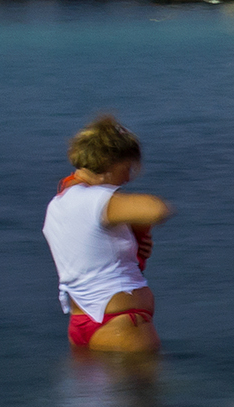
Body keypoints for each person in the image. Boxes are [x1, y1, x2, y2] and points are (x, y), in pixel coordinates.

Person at [46, 115, 173, 353]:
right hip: (122, 326)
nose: (127, 178)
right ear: (109, 162)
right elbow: (157, 209)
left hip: (81, 323)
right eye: (127, 168)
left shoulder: (57, 204)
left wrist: (131, 242)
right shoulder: (96, 200)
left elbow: (90, 250)